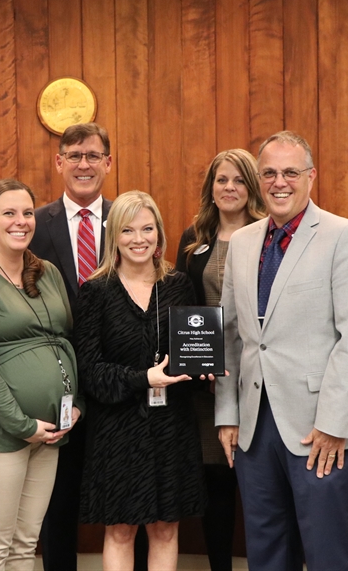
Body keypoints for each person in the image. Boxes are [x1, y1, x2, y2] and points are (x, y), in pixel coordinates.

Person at [215, 131, 348, 571]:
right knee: (266, 552)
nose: (279, 182)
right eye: (269, 172)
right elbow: (231, 336)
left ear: (311, 176)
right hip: (254, 426)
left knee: (328, 551)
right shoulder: (244, 242)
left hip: (319, 428)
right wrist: (228, 414)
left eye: (290, 172)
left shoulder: (345, 237)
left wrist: (333, 423)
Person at [0, 178, 83, 571]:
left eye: (27, 212)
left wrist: (75, 406)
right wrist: (23, 425)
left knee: (25, 545)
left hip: (50, 432)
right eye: (9, 213)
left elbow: (66, 342)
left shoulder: (47, 273)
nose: (21, 221)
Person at [76, 190, 206, 571]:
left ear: (159, 234)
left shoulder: (179, 285)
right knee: (120, 531)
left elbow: (191, 352)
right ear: (114, 236)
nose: (139, 239)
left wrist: (206, 368)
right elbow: (90, 372)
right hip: (116, 431)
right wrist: (143, 378)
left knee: (166, 529)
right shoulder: (94, 293)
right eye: (128, 230)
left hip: (171, 428)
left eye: (147, 228)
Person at [29, 122, 123, 570]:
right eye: (74, 155)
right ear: (59, 163)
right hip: (57, 384)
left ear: (108, 162)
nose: (84, 164)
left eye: (93, 155)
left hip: (119, 381)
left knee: (127, 497)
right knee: (57, 498)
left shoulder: (129, 219)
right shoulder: (34, 225)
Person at [175, 149, 266, 571]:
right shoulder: (194, 239)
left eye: (239, 180)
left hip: (260, 380)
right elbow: (181, 307)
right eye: (221, 180)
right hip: (206, 386)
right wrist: (201, 366)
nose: (229, 188)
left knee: (260, 481)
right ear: (210, 187)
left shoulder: (271, 234)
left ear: (252, 188)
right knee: (217, 483)